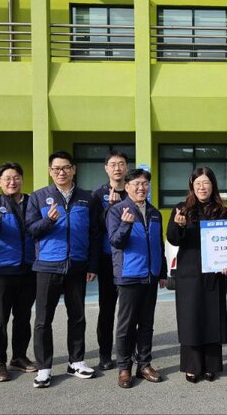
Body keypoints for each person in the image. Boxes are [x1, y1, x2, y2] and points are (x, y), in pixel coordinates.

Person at [25, 150, 100, 388]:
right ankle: (44, 368)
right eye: (56, 169)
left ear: (74, 169)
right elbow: (31, 230)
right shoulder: (38, 198)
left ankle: (76, 361)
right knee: (43, 319)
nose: (61, 172)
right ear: (50, 171)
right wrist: (49, 220)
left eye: (66, 167)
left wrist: (92, 264)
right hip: (48, 265)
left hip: (77, 265)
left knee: (77, 316)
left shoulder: (87, 198)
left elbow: (95, 234)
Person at [166, 167, 227, 383]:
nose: (202, 187)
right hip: (189, 272)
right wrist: (179, 225)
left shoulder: (222, 211)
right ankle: (192, 366)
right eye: (198, 184)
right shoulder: (181, 209)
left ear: (213, 185)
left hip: (214, 273)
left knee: (212, 317)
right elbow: (173, 239)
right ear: (192, 187)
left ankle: (212, 365)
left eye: (206, 183)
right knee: (191, 318)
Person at [106, 169, 167, 388]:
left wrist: (162, 273)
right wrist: (125, 224)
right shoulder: (116, 211)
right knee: (126, 325)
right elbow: (115, 242)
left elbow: (159, 244)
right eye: (136, 184)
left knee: (147, 324)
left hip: (150, 276)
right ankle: (124, 368)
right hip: (129, 275)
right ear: (128, 186)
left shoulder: (154, 212)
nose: (141, 188)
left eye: (145, 184)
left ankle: (144, 364)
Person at [0, 162, 37, 382]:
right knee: (0, 319)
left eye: (16, 177)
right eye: (7, 178)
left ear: (22, 179)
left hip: (29, 269)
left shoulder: (33, 202)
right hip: (3, 270)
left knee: (23, 316)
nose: (12, 182)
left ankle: (19, 357)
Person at [91, 151, 130, 371]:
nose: (117, 168)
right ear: (106, 168)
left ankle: (129, 349)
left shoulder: (134, 191)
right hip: (108, 260)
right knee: (106, 309)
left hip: (131, 259)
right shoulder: (98, 195)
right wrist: (109, 210)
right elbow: (95, 230)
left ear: (126, 168)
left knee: (131, 308)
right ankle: (105, 354)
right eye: (113, 164)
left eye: (121, 164)